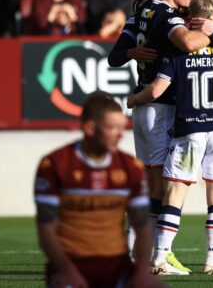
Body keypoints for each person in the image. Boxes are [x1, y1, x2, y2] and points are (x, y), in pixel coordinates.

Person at [108, 0, 213, 274]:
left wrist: (131, 53)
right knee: (159, 187)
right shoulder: (167, 16)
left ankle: (134, 253)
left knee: (151, 184)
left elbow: (115, 56)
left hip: (143, 109)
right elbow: (189, 43)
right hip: (159, 105)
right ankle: (155, 256)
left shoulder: (142, 8)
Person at [127, 0, 213, 275]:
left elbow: (157, 91)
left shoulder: (177, 53)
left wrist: (134, 99)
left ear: (189, 21)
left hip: (189, 131)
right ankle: (211, 262)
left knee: (174, 194)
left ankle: (160, 257)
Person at [33, 93, 164, 288]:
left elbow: (143, 225)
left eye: (122, 127)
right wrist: (68, 272)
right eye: (112, 128)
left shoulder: (130, 167)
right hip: (71, 265)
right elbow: (46, 229)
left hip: (116, 267)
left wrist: (141, 271)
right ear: (89, 128)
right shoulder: (54, 165)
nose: (120, 134)